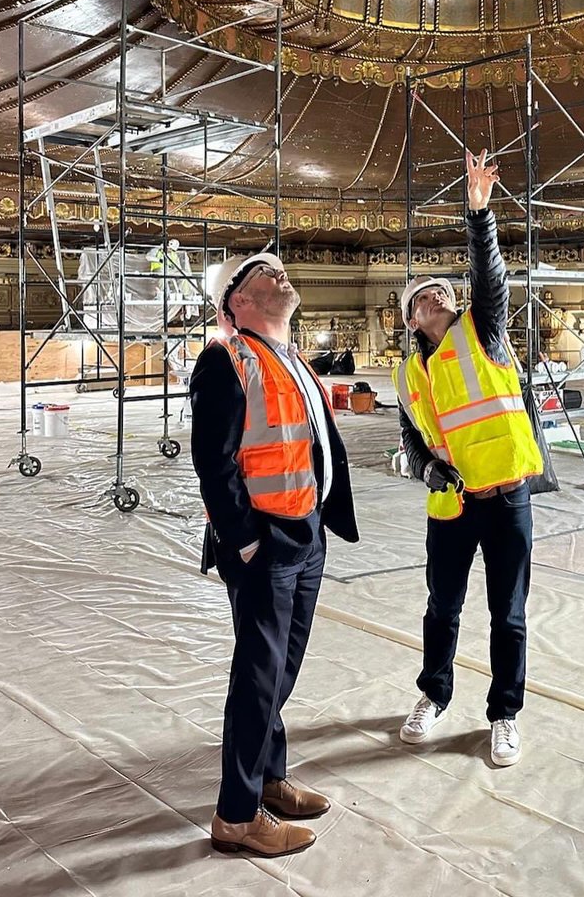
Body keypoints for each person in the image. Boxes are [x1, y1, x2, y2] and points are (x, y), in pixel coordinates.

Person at [190, 250, 359, 857]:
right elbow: (214, 462)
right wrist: (245, 539)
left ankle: (267, 777)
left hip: (303, 530)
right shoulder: (226, 360)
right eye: (266, 272)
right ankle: (236, 815)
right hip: (264, 539)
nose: (281, 272)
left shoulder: (292, 361)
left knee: (280, 668)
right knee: (260, 675)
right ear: (238, 299)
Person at [393, 149, 544, 767]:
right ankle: (434, 695)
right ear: (410, 320)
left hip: (506, 496)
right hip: (450, 505)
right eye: (422, 296)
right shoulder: (408, 374)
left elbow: (490, 281)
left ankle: (504, 714)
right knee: (441, 608)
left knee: (506, 614)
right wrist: (430, 469)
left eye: (439, 290)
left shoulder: (483, 334)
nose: (435, 296)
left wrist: (479, 214)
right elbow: (413, 439)